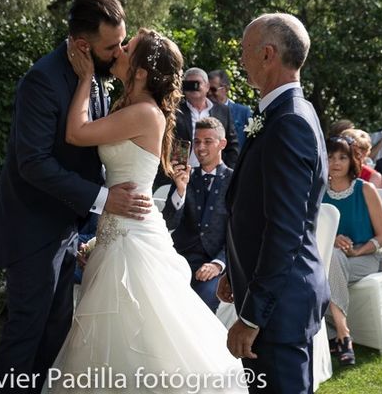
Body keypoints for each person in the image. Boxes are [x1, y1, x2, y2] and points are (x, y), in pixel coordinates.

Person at [47, 29, 246, 393]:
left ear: (140, 71)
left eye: (128, 48)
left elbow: (76, 132)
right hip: (114, 226)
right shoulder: (126, 105)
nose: (119, 50)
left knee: (139, 328)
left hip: (131, 234)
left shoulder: (144, 112)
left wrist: (86, 75)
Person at [0, 0, 152, 394]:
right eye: (111, 46)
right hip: (32, 231)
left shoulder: (90, 75)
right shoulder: (42, 80)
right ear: (82, 45)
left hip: (64, 227)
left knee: (56, 332)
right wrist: (102, 199)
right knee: (26, 333)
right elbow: (34, 163)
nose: (118, 53)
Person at [220, 13, 330, 393]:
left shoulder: (289, 122)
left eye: (245, 51)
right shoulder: (287, 113)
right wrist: (234, 272)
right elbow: (255, 208)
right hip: (272, 294)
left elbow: (285, 229)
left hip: (278, 307)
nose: (241, 60)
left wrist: (251, 316)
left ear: (268, 54)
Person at [322, 136, 382, 366]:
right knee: (333, 257)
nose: (336, 163)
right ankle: (343, 332)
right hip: (334, 261)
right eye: (330, 157)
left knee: (326, 269)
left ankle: (336, 334)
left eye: (342, 157)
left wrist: (358, 252)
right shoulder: (319, 192)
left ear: (352, 160)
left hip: (367, 258)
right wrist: (331, 239)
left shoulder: (365, 189)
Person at [163, 117, 232, 313]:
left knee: (201, 303)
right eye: (197, 141)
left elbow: (240, 234)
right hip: (179, 260)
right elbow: (168, 222)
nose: (200, 147)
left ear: (222, 144)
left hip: (214, 263)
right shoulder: (185, 177)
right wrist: (180, 190)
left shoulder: (236, 181)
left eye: (208, 141)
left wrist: (218, 265)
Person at [177, 67, 239, 168]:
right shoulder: (175, 112)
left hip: (215, 177)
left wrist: (229, 174)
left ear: (207, 86)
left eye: (196, 84)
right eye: (189, 85)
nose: (193, 88)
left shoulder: (223, 111)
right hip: (182, 175)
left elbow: (232, 146)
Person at [208, 69, 252, 149]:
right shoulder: (203, 111)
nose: (209, 93)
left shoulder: (243, 112)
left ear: (225, 89)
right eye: (207, 89)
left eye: (213, 89)